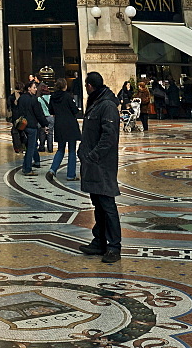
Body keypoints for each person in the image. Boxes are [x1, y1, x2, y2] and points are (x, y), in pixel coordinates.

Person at [78, 71, 121, 263]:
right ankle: (99, 241)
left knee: (108, 205)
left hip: (102, 165)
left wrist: (93, 155)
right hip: (93, 164)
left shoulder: (107, 105)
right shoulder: (96, 103)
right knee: (98, 205)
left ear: (89, 86)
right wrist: (83, 150)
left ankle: (114, 247)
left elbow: (108, 137)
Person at [46, 77, 81, 182]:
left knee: (60, 149)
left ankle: (52, 170)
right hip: (70, 124)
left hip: (59, 124)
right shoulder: (67, 97)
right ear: (65, 86)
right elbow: (74, 110)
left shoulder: (53, 97)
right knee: (71, 150)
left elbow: (51, 110)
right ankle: (71, 175)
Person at [16, 78, 49, 176]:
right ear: (29, 89)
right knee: (31, 148)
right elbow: (38, 114)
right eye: (34, 88)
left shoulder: (21, 98)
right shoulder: (34, 99)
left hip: (23, 125)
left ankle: (25, 166)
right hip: (32, 126)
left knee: (28, 147)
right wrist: (44, 124)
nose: (36, 89)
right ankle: (28, 169)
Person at [37, 83, 54, 152]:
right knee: (50, 133)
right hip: (51, 117)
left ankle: (42, 147)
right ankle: (50, 148)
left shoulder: (39, 99)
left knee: (42, 132)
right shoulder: (51, 98)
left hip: (43, 117)